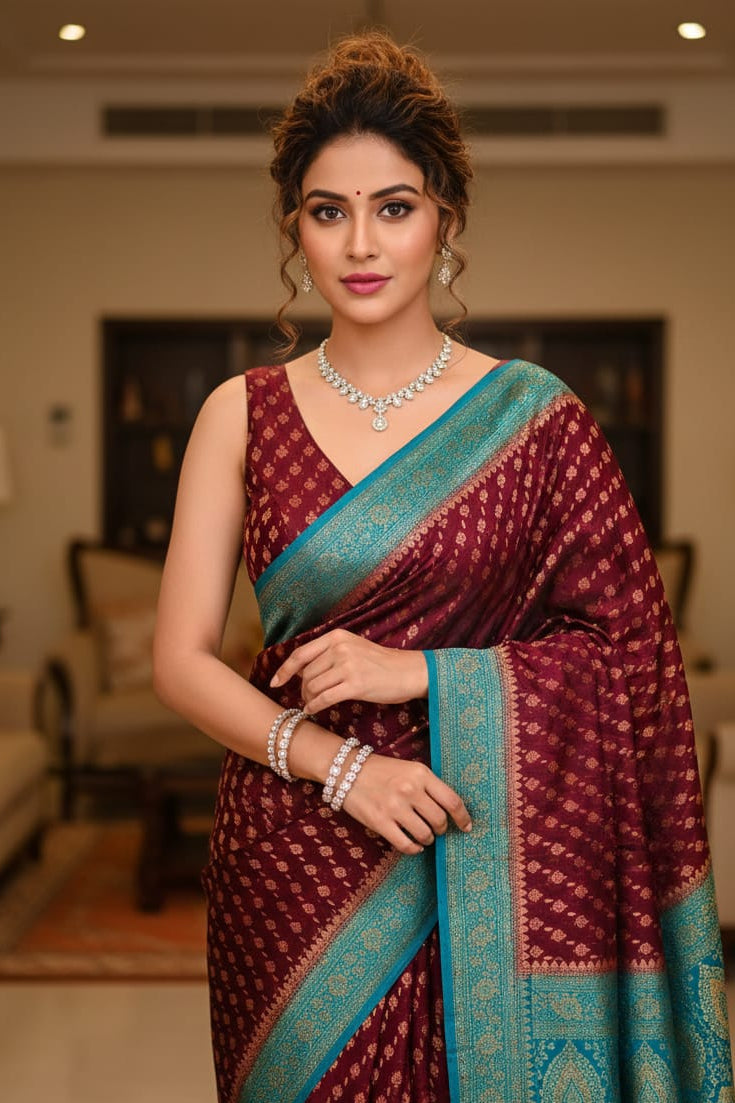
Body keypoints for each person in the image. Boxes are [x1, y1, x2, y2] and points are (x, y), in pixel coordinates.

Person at [153, 30, 733, 1103]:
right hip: (294, 862)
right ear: (297, 226)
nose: (361, 243)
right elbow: (181, 662)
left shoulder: (537, 419)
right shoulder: (241, 412)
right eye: (329, 210)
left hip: (490, 845)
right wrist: (341, 765)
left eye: (395, 206)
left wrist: (420, 673)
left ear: (446, 219)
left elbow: (634, 659)